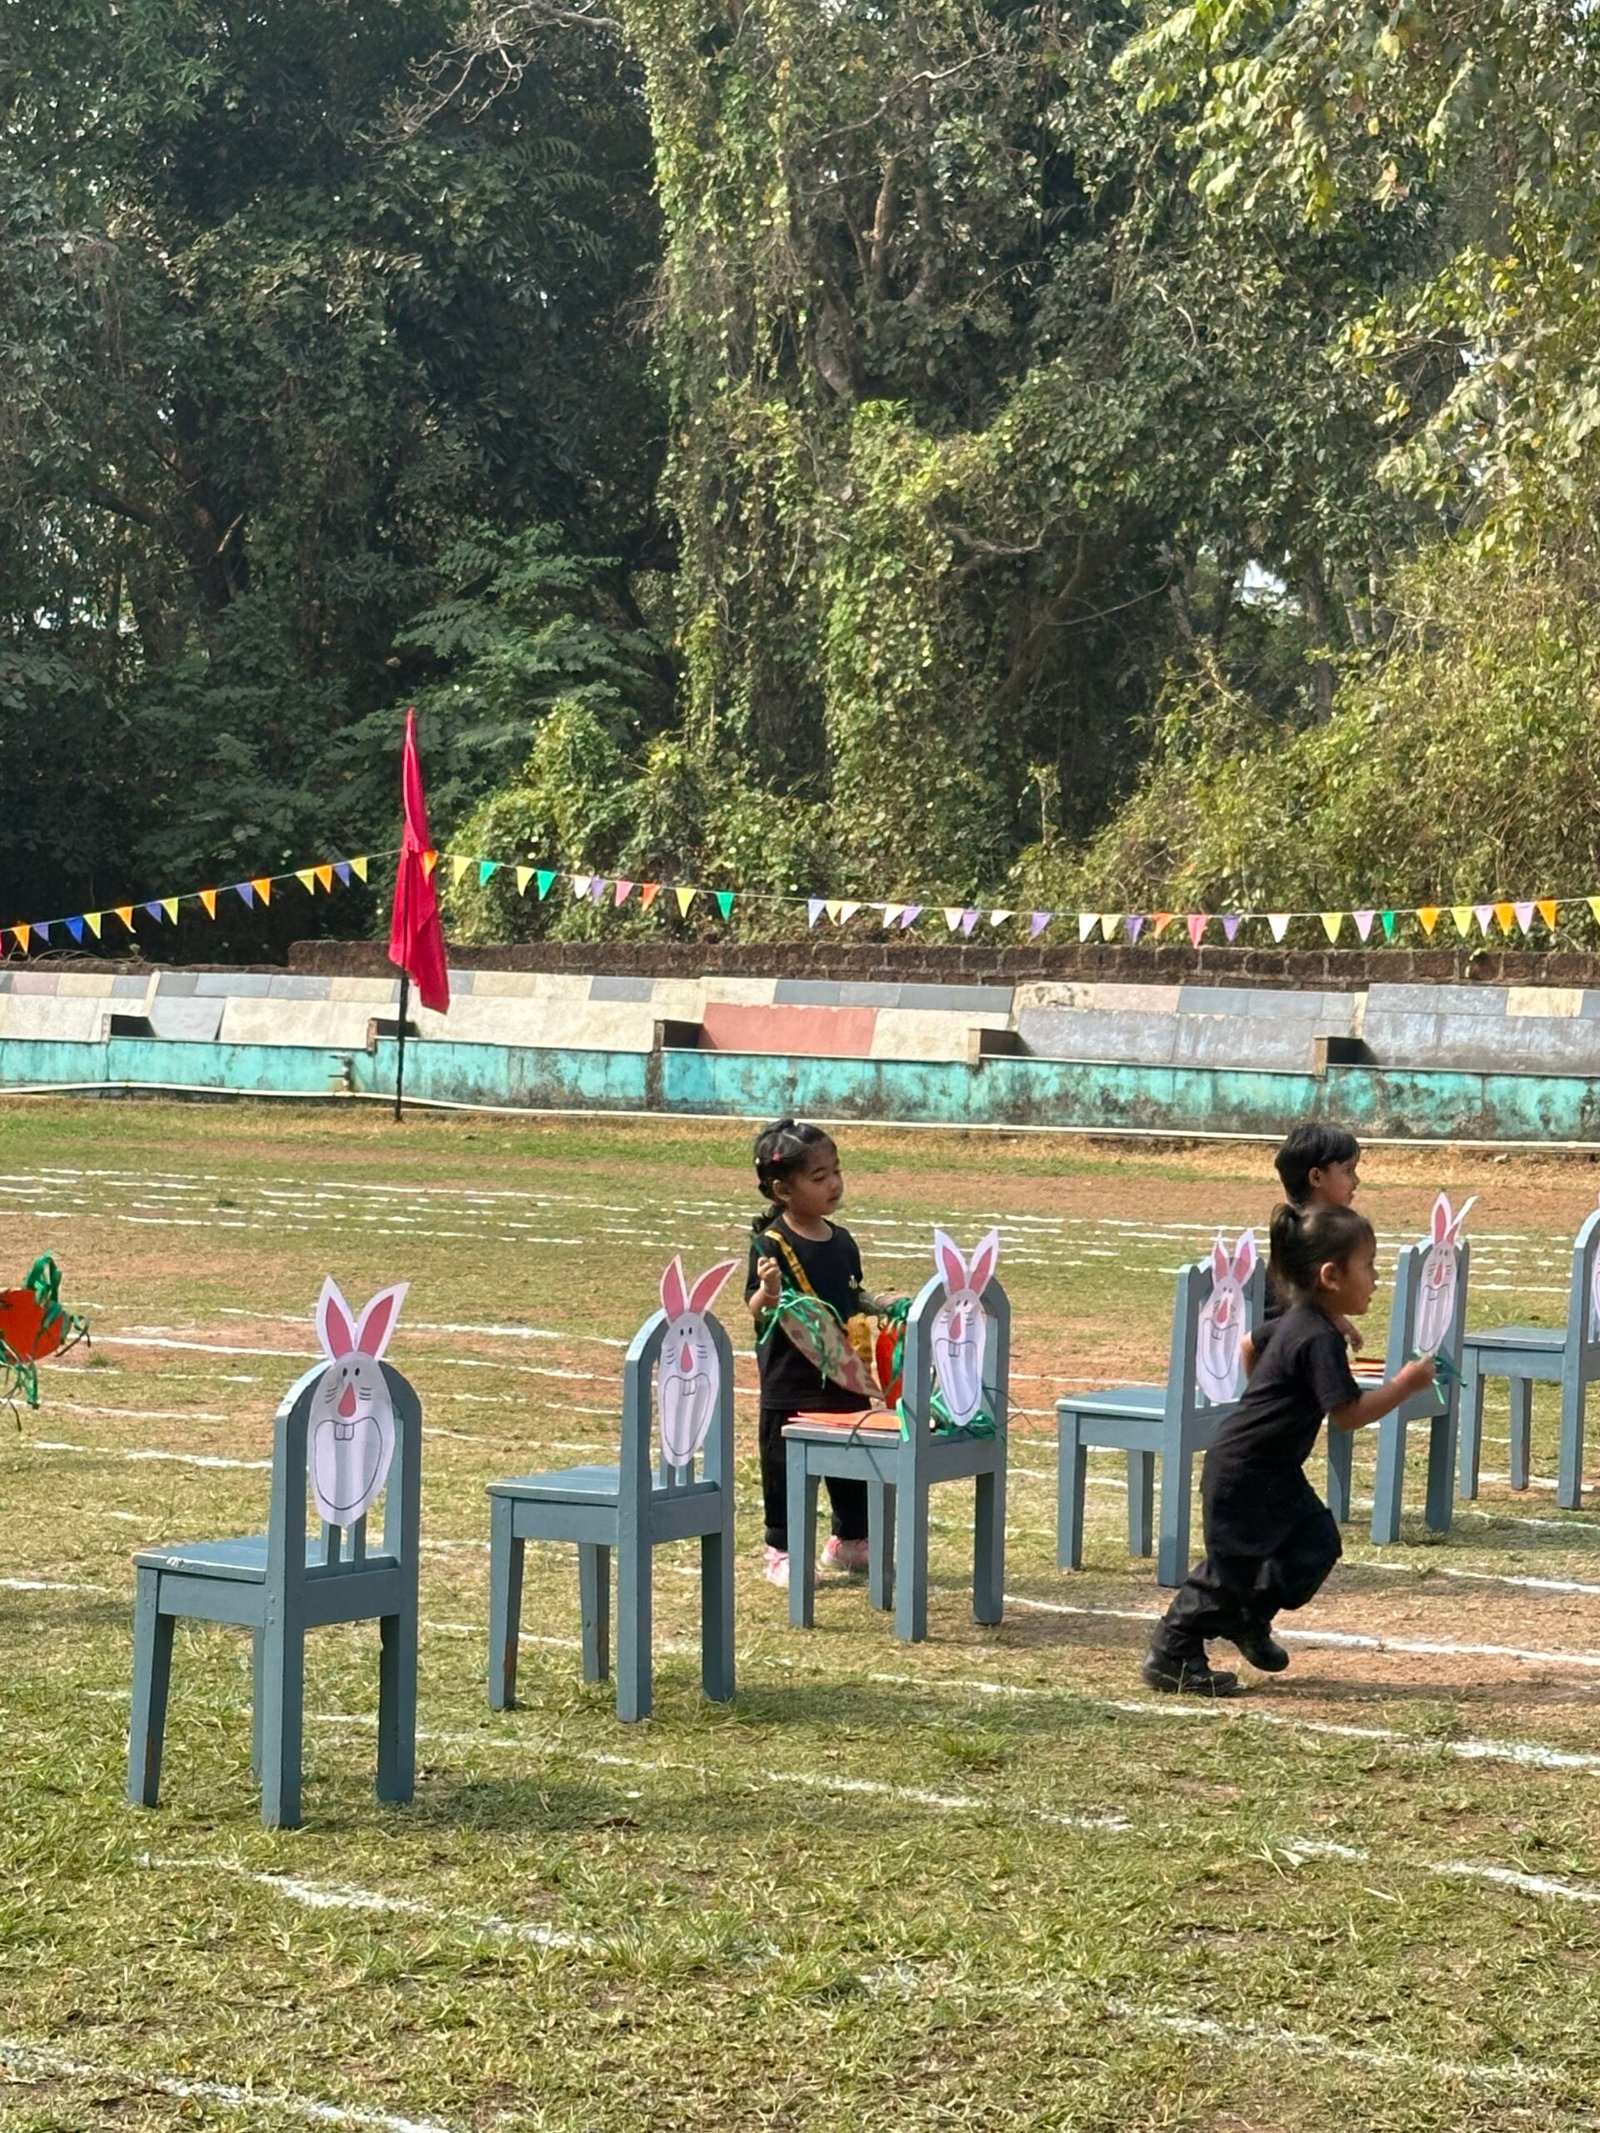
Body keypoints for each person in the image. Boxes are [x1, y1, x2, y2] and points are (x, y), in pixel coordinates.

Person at [1142, 1201, 1436, 1696]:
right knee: (1228, 1571)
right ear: (1331, 1276)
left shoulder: (1307, 1320)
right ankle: (1172, 1652)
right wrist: (1405, 1384)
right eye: (1368, 1266)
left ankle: (1248, 1617)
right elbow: (1348, 1415)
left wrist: (1271, 1393)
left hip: (1271, 1468)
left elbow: (1249, 1346)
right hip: (1244, 1470)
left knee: (1315, 1543)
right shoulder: (1317, 1336)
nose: (1376, 1278)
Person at [746, 1119, 897, 1590]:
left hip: (844, 1376)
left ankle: (849, 1539)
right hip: (791, 1382)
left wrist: (881, 1303)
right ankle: (783, 1548)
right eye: (819, 1177)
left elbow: (850, 1297)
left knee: (854, 1458)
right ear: (782, 1190)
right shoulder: (771, 1245)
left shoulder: (843, 1241)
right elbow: (757, 1309)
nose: (834, 1183)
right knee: (784, 1468)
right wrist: (769, 1290)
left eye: (836, 1171)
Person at [1243, 1120, 1363, 1368]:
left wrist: (1336, 1319)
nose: (1356, 1180)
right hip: (1284, 1357)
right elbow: (1288, 1313)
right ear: (1316, 1176)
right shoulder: (1306, 1237)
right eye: (1348, 1170)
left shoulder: (1316, 1231)